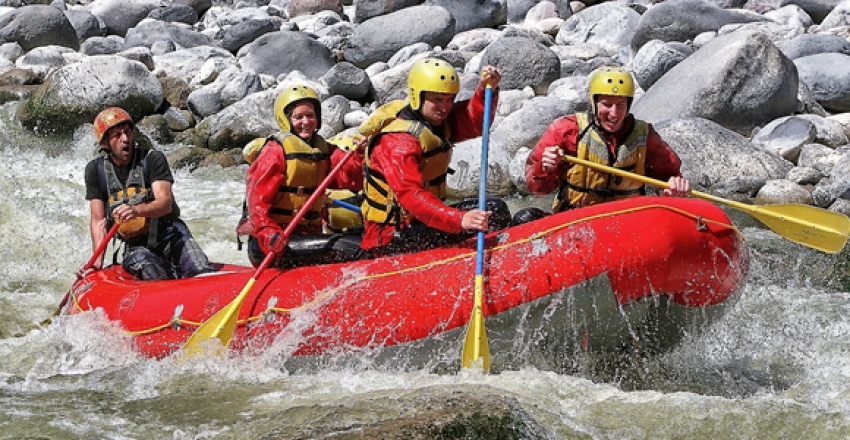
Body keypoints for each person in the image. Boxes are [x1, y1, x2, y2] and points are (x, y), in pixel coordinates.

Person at [359, 58, 512, 256]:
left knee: (494, 210)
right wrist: (459, 219)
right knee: (494, 213)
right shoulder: (398, 142)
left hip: (421, 222)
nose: (444, 107)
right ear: (417, 96)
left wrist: (486, 89)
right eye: (437, 100)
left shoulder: (436, 123)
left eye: (449, 100)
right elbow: (412, 196)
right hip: (390, 236)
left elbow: (474, 122)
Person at [523, 66, 690, 218]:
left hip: (626, 222)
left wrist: (673, 187)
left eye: (620, 105)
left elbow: (669, 176)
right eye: (606, 104)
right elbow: (536, 188)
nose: (614, 113)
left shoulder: (645, 136)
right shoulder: (566, 130)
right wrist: (544, 168)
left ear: (629, 104)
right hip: (575, 221)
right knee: (525, 217)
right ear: (594, 103)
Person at [237, 85, 366, 268]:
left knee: (357, 240)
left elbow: (352, 179)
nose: (306, 122)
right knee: (352, 248)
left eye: (310, 115)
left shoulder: (323, 150)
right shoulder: (273, 152)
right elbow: (256, 205)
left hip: (306, 237)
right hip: (270, 244)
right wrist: (268, 232)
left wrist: (360, 155)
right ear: (286, 120)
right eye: (298, 117)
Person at [80, 107, 214, 280]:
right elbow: (99, 221)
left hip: (171, 234)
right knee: (155, 278)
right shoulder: (95, 171)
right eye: (117, 135)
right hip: (136, 246)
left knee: (202, 272)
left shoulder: (152, 159)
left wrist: (136, 210)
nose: (125, 138)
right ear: (105, 143)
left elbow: (165, 203)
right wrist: (97, 262)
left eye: (127, 132)